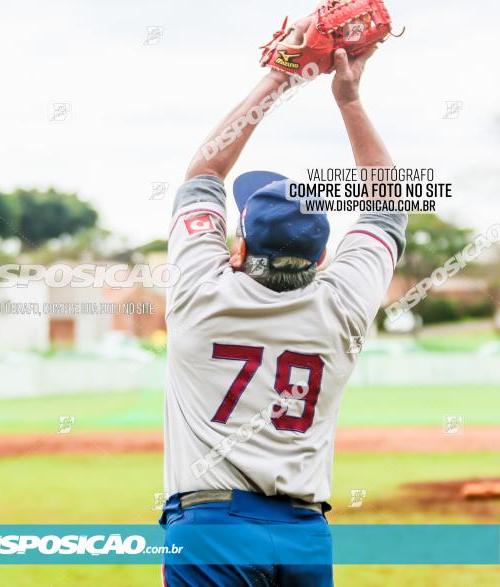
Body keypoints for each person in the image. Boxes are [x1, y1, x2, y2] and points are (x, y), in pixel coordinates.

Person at [161, 46, 405, 586]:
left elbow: (204, 174)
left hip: (211, 528)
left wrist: (280, 76)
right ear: (322, 258)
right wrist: (350, 100)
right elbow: (389, 205)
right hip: (304, 535)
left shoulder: (200, 292)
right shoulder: (342, 305)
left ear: (240, 251)